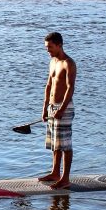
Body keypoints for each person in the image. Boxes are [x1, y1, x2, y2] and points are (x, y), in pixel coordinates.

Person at [38, 31, 76, 188]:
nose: (48, 50)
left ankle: (65, 179)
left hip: (64, 108)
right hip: (52, 107)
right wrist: (45, 107)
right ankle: (55, 173)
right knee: (55, 143)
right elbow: (48, 85)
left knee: (65, 144)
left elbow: (70, 88)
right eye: (47, 47)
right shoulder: (53, 62)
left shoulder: (68, 63)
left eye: (50, 47)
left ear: (60, 45)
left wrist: (62, 108)